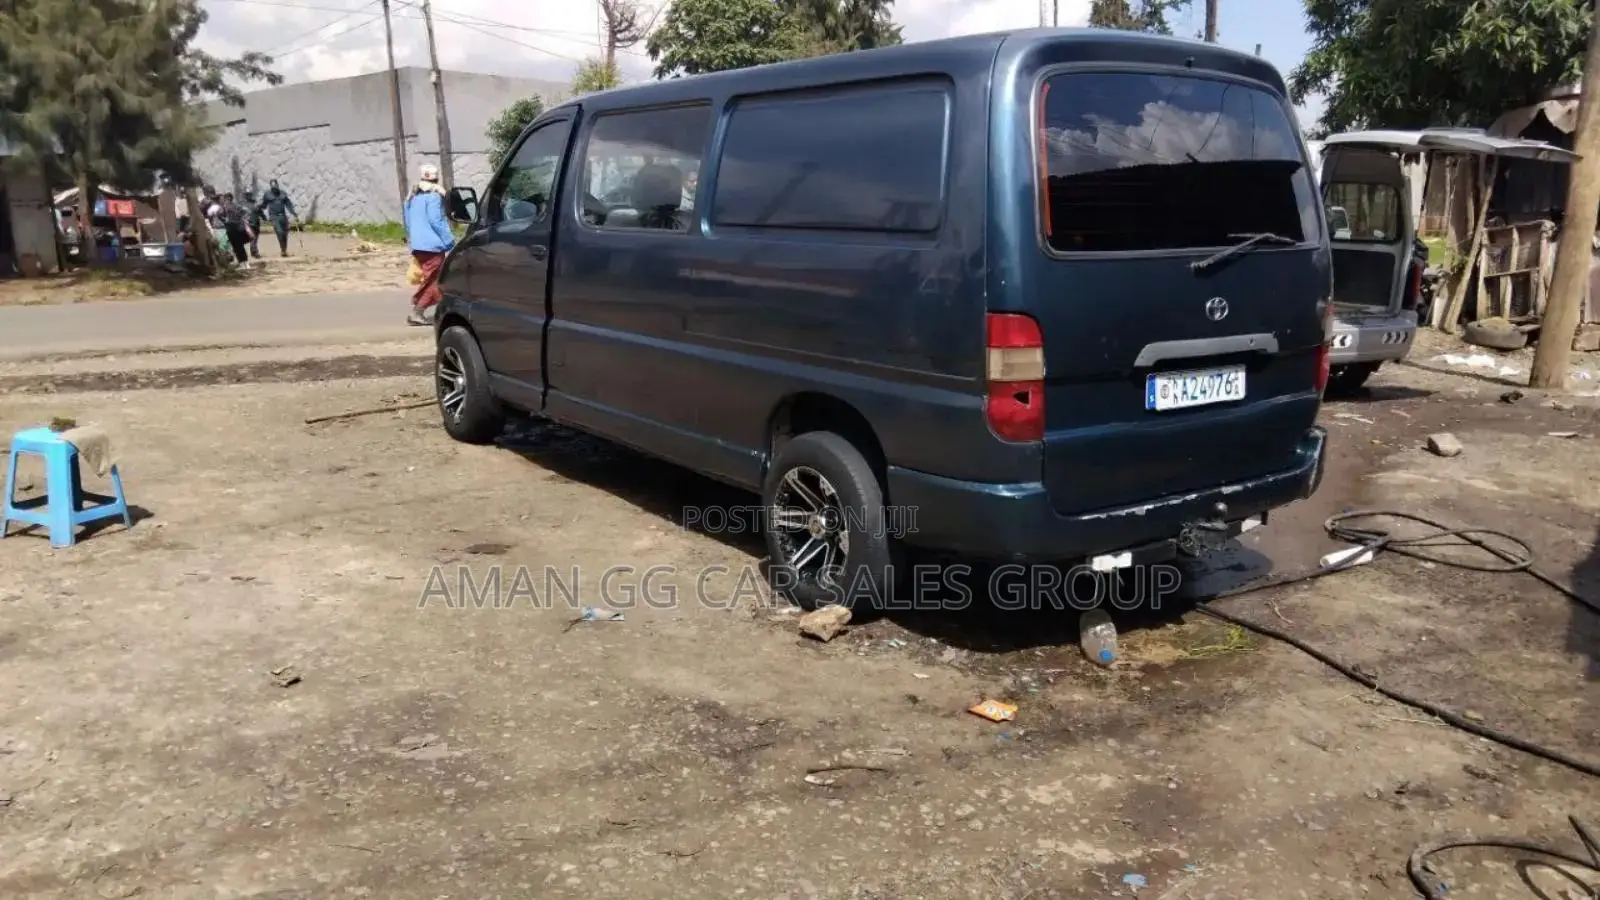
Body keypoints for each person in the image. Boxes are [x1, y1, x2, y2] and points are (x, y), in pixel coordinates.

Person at [404, 163, 454, 326]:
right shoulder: (433, 197)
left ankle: (443, 310)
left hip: (418, 245)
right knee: (435, 280)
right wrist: (449, 240)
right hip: (433, 246)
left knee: (433, 278)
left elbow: (408, 222)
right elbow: (436, 221)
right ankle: (418, 312)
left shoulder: (412, 198)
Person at [260, 178, 298, 257]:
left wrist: (294, 214)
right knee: (279, 232)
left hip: (283, 216)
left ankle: (284, 250)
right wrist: (258, 208)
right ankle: (283, 249)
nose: (274, 189)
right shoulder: (267, 195)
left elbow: (288, 204)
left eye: (275, 187)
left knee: (285, 234)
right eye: (273, 188)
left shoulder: (283, 194)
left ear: (278, 185)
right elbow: (264, 205)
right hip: (274, 216)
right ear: (271, 187)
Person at [218, 193, 252, 267]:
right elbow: (246, 212)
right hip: (238, 228)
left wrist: (225, 220)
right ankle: (246, 263)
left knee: (236, 247)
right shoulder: (237, 205)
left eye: (225, 198)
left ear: (227, 198)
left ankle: (242, 263)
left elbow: (219, 215)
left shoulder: (224, 207)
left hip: (231, 228)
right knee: (240, 246)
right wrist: (243, 219)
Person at [243, 191, 264, 259]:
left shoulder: (255, 203)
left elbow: (260, 212)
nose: (248, 196)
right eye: (247, 195)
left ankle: (253, 252)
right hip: (248, 223)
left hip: (256, 223)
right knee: (253, 237)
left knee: (255, 238)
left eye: (249, 194)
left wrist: (264, 218)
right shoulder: (243, 205)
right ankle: (255, 252)